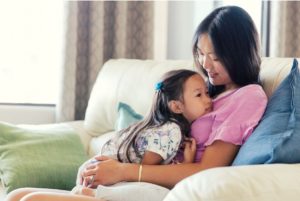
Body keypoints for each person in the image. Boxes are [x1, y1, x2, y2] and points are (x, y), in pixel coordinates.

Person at [78, 5, 268, 191]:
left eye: (215, 57)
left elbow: (208, 169)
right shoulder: (205, 90)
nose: (205, 64)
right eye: (201, 54)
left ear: (239, 54)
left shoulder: (248, 96)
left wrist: (122, 171)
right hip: (143, 170)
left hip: (164, 184)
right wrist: (103, 163)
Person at [5, 69, 212, 201]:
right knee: (21, 198)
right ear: (176, 106)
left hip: (100, 177)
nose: (208, 100)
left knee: (18, 197)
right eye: (199, 94)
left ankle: (88, 195)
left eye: (207, 93)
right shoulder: (172, 130)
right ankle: (92, 196)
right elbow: (146, 171)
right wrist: (185, 164)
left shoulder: (152, 125)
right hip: (116, 183)